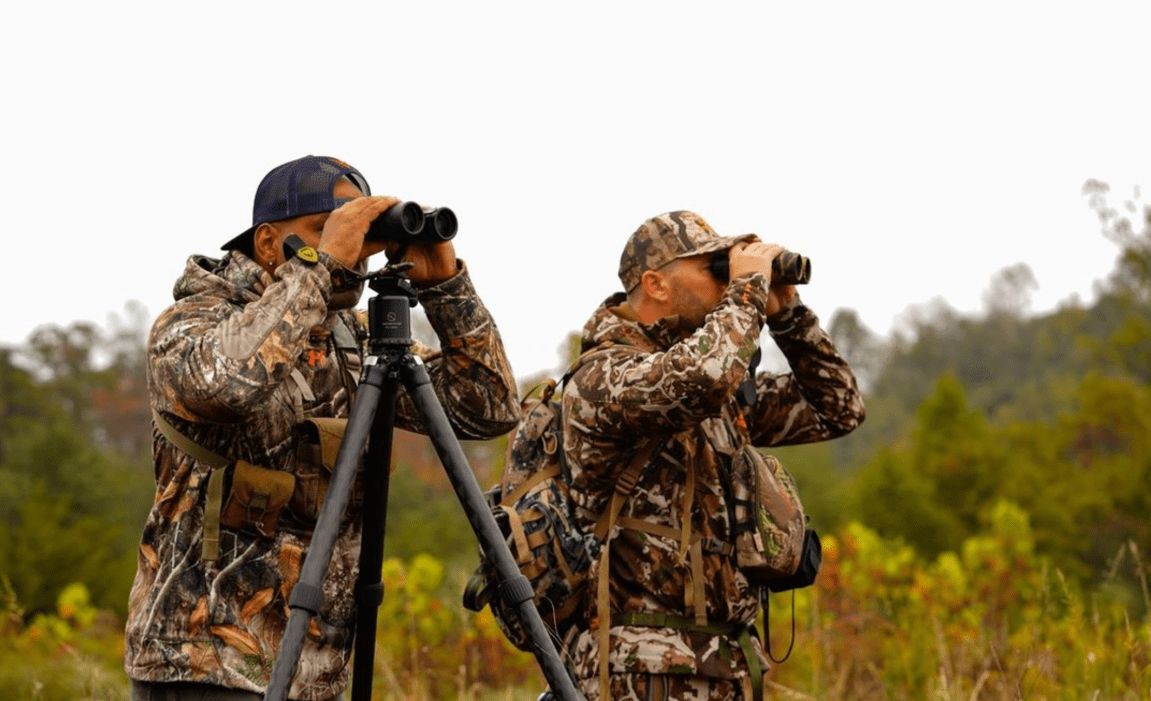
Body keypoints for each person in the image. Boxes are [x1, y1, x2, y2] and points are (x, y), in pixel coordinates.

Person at [124, 155, 520, 701]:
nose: (353, 252)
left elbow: (491, 407)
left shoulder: (352, 341)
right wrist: (321, 263)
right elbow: (227, 385)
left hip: (318, 671)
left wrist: (447, 288)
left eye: (360, 233)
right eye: (324, 230)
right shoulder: (192, 322)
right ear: (267, 244)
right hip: (203, 664)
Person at [561, 211, 866, 701]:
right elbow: (698, 377)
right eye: (713, 269)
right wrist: (745, 289)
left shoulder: (718, 397)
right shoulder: (605, 376)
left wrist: (788, 313)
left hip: (727, 667)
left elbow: (838, 408)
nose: (727, 282)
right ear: (655, 284)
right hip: (637, 671)